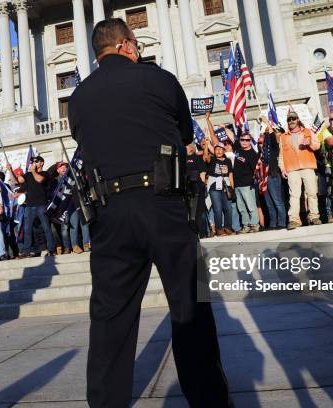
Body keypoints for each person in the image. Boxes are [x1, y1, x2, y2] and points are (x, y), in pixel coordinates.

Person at [68, 18, 231, 408]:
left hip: (109, 213)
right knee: (189, 306)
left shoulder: (79, 97)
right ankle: (208, 401)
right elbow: (186, 133)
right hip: (165, 205)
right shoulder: (158, 80)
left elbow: (84, 139)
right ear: (126, 45)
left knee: (110, 319)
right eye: (136, 44)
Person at [278, 111, 322, 229]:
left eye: (293, 118)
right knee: (294, 195)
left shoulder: (307, 131)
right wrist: (283, 169)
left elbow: (317, 146)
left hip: (308, 166)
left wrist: (310, 144)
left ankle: (314, 216)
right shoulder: (283, 137)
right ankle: (294, 220)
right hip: (292, 169)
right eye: (289, 119)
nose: (291, 121)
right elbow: (281, 155)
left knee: (312, 193)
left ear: (297, 119)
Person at [9, 156, 56, 257]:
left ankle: (51, 249)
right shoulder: (29, 175)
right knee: (27, 229)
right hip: (30, 206)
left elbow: (39, 180)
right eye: (32, 162)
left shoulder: (45, 173)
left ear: (41, 163)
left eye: (35, 161)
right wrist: (10, 171)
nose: (33, 163)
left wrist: (33, 171)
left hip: (41, 205)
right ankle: (26, 251)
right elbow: (18, 181)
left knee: (46, 228)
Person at [259, 119, 287, 229]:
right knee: (269, 203)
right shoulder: (262, 152)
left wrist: (267, 123)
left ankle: (282, 222)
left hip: (273, 175)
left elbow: (271, 136)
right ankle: (273, 223)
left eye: (267, 134)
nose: (265, 137)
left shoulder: (275, 147)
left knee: (277, 201)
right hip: (264, 179)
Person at [232, 132, 260, 233]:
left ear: (250, 141)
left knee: (251, 206)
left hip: (247, 184)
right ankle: (246, 225)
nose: (244, 142)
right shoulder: (238, 151)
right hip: (237, 184)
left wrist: (253, 183)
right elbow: (232, 136)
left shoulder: (253, 154)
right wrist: (224, 128)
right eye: (242, 140)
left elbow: (256, 172)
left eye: (247, 140)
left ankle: (255, 224)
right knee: (241, 207)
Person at [206, 142, 235, 236]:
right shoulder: (212, 159)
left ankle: (228, 227)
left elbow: (230, 174)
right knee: (217, 209)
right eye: (216, 149)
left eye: (220, 149)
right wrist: (206, 146)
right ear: (214, 151)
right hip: (214, 187)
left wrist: (232, 188)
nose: (218, 151)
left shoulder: (227, 161)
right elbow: (206, 157)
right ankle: (219, 229)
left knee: (228, 208)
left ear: (224, 151)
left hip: (225, 187)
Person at [185, 142, 208, 238]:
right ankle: (190, 233)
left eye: (186, 146)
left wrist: (202, 186)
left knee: (199, 211)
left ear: (191, 148)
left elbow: (202, 173)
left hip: (198, 187)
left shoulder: (198, 158)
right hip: (186, 188)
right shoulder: (182, 159)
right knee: (188, 211)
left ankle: (202, 232)